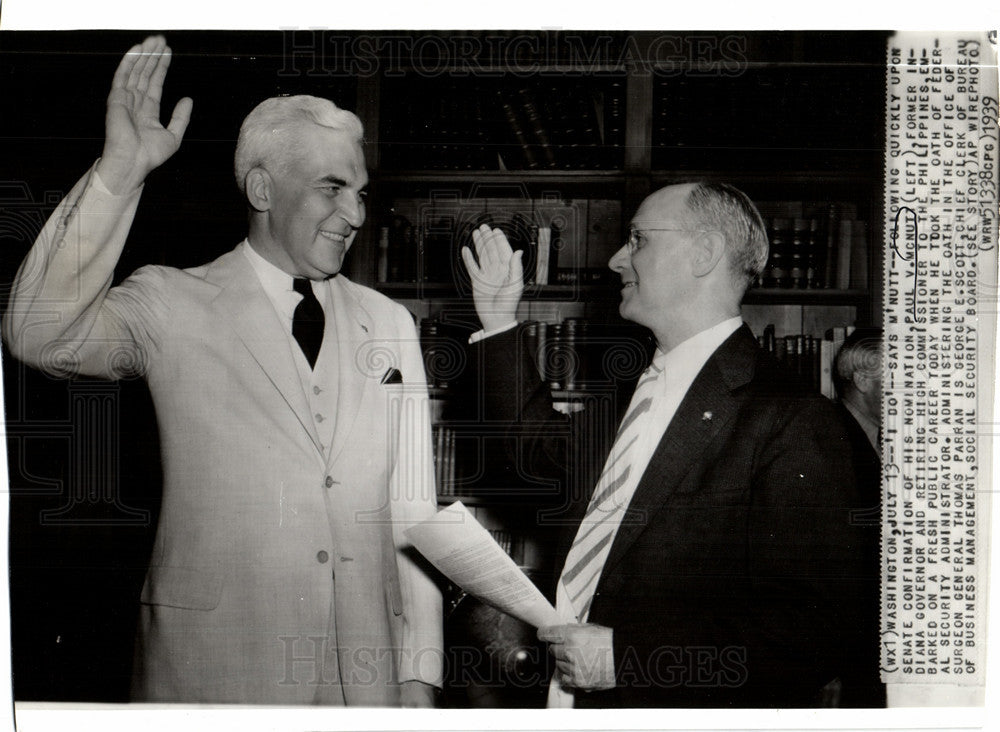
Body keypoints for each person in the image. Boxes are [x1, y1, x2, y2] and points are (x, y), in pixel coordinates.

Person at [2, 35, 442, 706]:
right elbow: (37, 334)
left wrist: (418, 674)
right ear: (263, 187)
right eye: (332, 187)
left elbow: (412, 513)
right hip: (213, 674)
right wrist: (120, 172)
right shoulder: (171, 303)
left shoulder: (388, 323)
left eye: (359, 191)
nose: (355, 213)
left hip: (365, 682)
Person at [458, 181, 884, 707]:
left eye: (637, 239)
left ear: (704, 252)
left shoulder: (792, 419)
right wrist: (499, 320)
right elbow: (537, 461)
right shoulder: (630, 394)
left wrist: (633, 659)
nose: (616, 260)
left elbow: (812, 634)